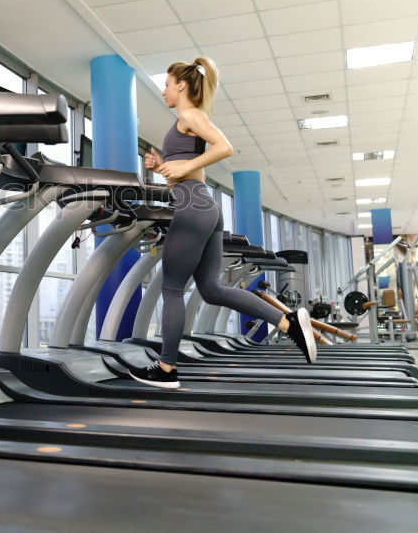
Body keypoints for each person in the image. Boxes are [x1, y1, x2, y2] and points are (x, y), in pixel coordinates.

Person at [129, 57, 316, 389]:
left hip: (191, 205)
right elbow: (189, 166)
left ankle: (166, 369)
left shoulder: (189, 115)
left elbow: (224, 147)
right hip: (204, 204)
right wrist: (162, 165)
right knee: (212, 290)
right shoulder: (188, 120)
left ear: (181, 85)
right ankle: (287, 323)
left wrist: (182, 169)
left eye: (167, 85)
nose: (163, 91)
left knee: (172, 289)